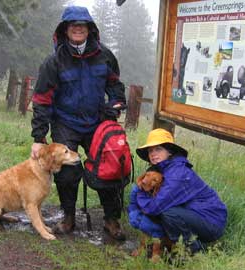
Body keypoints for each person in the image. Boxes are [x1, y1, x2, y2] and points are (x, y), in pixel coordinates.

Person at [30, 6, 126, 240]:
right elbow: (42, 100)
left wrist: (115, 103)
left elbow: (115, 85)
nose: (78, 28)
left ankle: (111, 220)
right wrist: (39, 138)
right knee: (67, 173)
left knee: (110, 167)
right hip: (65, 123)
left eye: (82, 24)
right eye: (73, 24)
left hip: (97, 122)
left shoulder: (105, 55)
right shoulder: (53, 62)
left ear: (90, 29)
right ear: (64, 29)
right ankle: (69, 217)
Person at [128, 128, 227, 259]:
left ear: (169, 151)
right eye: (150, 150)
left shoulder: (177, 173)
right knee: (166, 211)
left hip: (211, 221)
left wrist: (141, 188)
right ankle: (175, 244)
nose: (153, 154)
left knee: (168, 213)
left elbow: (154, 208)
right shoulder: (163, 170)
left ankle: (191, 251)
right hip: (193, 216)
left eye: (158, 149)